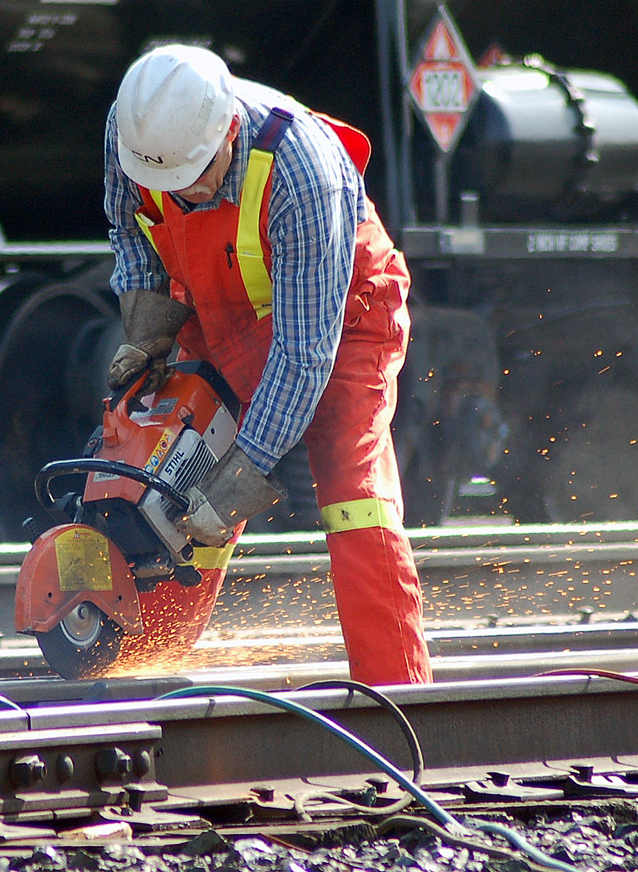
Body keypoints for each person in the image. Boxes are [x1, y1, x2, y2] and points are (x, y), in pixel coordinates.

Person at [102, 44, 433, 686]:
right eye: (168, 183)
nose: (183, 195)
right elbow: (132, 230)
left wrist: (241, 478)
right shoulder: (135, 134)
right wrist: (148, 333)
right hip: (215, 306)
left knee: (352, 493)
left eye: (195, 177)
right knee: (173, 480)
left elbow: (304, 354)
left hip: (342, 318)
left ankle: (399, 692)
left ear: (227, 130)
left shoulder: (305, 170)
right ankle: (146, 667)